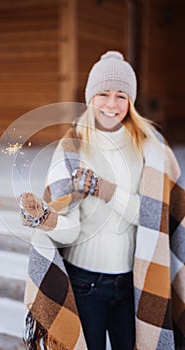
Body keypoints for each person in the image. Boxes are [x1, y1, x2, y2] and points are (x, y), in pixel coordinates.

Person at [21, 51, 185, 350]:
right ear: (90, 97)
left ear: (131, 100)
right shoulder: (71, 149)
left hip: (135, 284)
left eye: (121, 95)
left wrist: (106, 190)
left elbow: (154, 218)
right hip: (85, 286)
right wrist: (48, 220)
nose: (112, 104)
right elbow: (71, 230)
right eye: (103, 94)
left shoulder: (152, 149)